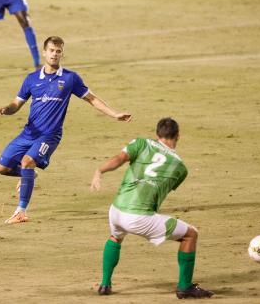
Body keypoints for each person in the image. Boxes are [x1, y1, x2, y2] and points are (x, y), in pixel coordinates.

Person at [0, 36, 132, 224]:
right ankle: (29, 175)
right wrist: (5, 110)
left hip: (50, 135)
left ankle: (21, 212)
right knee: (2, 167)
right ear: (44, 52)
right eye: (51, 50)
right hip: (28, 133)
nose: (54, 54)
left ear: (62, 54)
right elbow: (15, 104)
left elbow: (91, 98)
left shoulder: (69, 78)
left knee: (27, 161)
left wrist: (114, 114)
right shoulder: (32, 79)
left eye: (58, 51)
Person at [90, 117, 214, 299]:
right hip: (139, 217)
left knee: (116, 237)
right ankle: (185, 287)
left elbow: (119, 158)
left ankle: (105, 284)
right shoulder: (180, 168)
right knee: (190, 234)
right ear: (178, 136)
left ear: (157, 135)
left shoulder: (140, 143)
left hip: (116, 210)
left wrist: (99, 171)